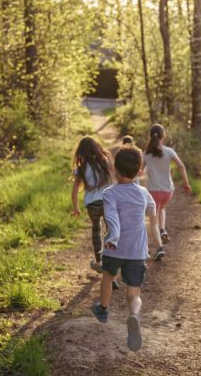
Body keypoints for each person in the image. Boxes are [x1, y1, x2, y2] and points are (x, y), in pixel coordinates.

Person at [92, 146, 156, 352]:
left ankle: (103, 309)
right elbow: (152, 210)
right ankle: (134, 315)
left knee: (108, 276)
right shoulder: (143, 192)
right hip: (136, 250)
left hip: (113, 247)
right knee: (134, 291)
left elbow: (110, 215)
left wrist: (114, 236)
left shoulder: (110, 193)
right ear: (140, 172)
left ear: (114, 170)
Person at [142, 124, 191, 260]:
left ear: (150, 136)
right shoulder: (169, 151)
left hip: (153, 191)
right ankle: (163, 229)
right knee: (162, 208)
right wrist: (186, 183)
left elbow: (139, 171)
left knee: (152, 221)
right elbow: (181, 166)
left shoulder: (146, 153)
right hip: (168, 191)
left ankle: (159, 248)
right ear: (163, 137)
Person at [71, 136, 114, 275]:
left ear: (81, 152)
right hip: (107, 201)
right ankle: (112, 259)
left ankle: (99, 261)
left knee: (96, 229)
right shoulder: (104, 162)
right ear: (97, 147)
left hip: (92, 205)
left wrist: (76, 208)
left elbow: (75, 190)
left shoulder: (81, 168)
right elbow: (114, 180)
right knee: (110, 230)